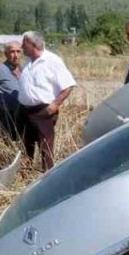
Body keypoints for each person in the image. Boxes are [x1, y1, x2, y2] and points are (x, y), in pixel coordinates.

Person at [18, 31, 76, 171]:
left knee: (45, 148)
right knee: (26, 147)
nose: (22, 47)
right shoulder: (28, 62)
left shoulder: (52, 61)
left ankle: (46, 176)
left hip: (43, 111)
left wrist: (55, 104)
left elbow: (68, 85)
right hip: (25, 111)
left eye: (24, 44)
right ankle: (26, 176)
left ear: (33, 44)